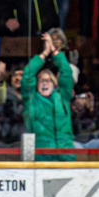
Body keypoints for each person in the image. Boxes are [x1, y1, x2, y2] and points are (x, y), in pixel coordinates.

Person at [20, 32, 75, 161]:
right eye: (41, 80)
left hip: (66, 156)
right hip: (41, 158)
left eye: (48, 80)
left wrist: (54, 51)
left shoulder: (63, 97)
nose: (45, 83)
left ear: (54, 84)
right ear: (36, 84)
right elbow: (27, 75)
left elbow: (66, 72)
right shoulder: (31, 99)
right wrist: (44, 54)